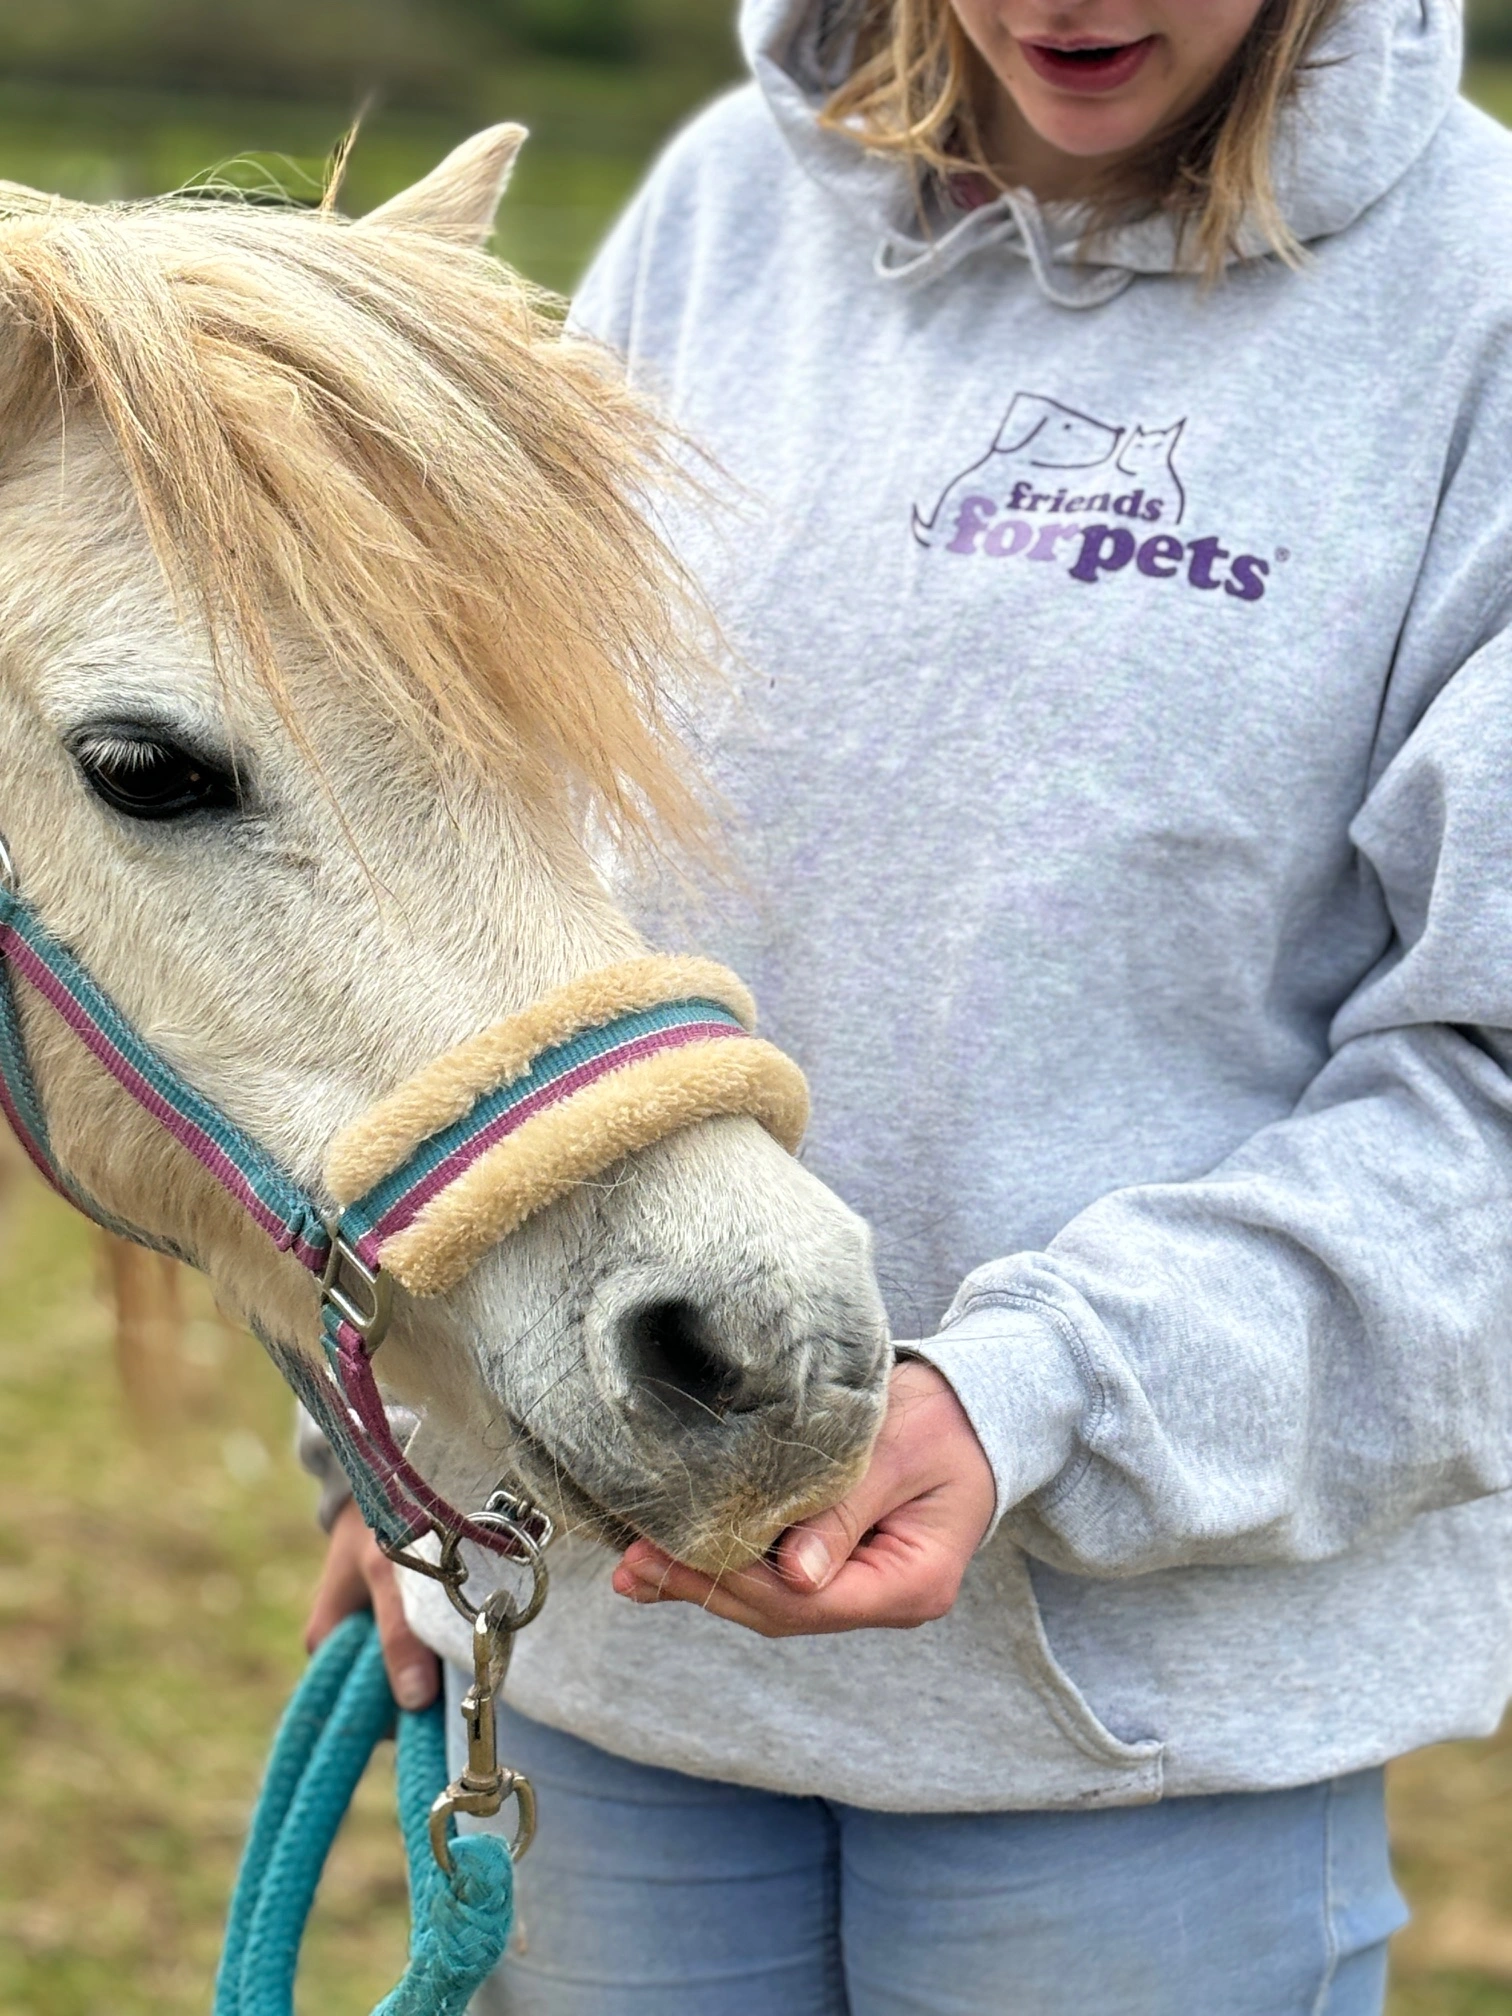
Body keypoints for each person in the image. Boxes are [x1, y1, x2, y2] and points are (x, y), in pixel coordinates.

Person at [304, 1, 1512, 2008]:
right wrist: (405, 1442)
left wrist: (1024, 1395)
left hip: (1125, 1740)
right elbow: (481, 884)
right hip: (617, 1648)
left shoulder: (1478, 308)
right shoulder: (716, 214)